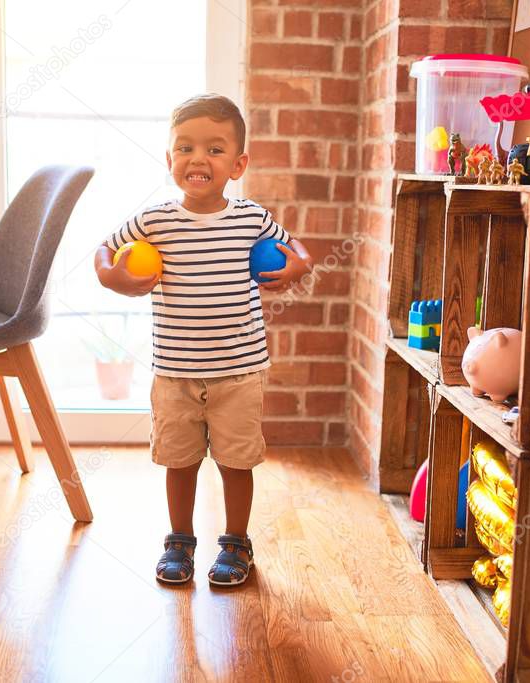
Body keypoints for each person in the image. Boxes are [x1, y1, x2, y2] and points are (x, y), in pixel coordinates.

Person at [95, 94, 313, 587]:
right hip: (174, 373)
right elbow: (104, 250)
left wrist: (297, 266)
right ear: (169, 158)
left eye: (215, 150)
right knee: (179, 461)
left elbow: (295, 246)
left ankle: (236, 541)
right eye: (186, 148)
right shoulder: (154, 221)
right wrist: (114, 278)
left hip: (239, 372)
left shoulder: (251, 217)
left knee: (237, 462)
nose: (199, 158)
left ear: (238, 165)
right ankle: (179, 539)